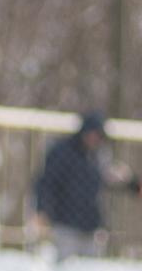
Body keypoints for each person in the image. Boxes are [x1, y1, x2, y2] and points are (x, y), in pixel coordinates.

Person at [31, 111, 139, 259]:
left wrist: (133, 184)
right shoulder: (62, 152)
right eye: (92, 134)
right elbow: (46, 183)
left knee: (89, 267)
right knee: (66, 265)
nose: (94, 139)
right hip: (65, 223)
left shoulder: (99, 156)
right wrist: (42, 209)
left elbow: (114, 177)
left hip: (91, 226)